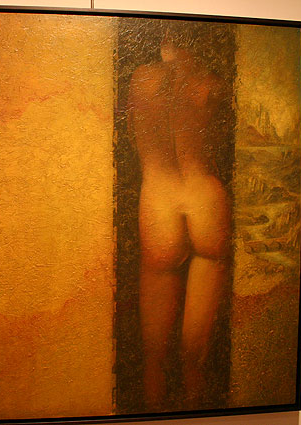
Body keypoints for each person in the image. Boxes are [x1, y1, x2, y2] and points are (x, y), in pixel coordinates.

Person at [128, 30, 233, 410]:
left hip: (158, 199)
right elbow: (219, 142)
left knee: (153, 358)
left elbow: (133, 137)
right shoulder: (212, 83)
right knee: (195, 359)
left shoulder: (140, 79)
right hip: (204, 198)